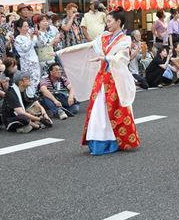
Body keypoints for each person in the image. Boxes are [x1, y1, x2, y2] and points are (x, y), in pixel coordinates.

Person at [57, 8, 140, 155]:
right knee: (97, 109)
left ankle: (115, 140)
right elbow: (87, 46)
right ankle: (98, 141)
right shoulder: (104, 37)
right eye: (106, 21)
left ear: (118, 22)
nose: (107, 24)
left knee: (116, 109)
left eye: (109, 21)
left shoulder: (125, 40)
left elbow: (123, 57)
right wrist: (64, 52)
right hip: (102, 78)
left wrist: (107, 58)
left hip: (115, 79)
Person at [14, 19, 40, 97]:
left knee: (36, 80)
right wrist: (31, 38)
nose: (26, 28)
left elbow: (38, 44)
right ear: (19, 28)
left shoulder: (28, 36)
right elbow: (25, 49)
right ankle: (30, 97)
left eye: (27, 26)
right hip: (27, 63)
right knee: (28, 81)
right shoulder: (18, 38)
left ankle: (36, 96)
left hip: (34, 61)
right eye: (24, 26)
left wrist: (37, 35)